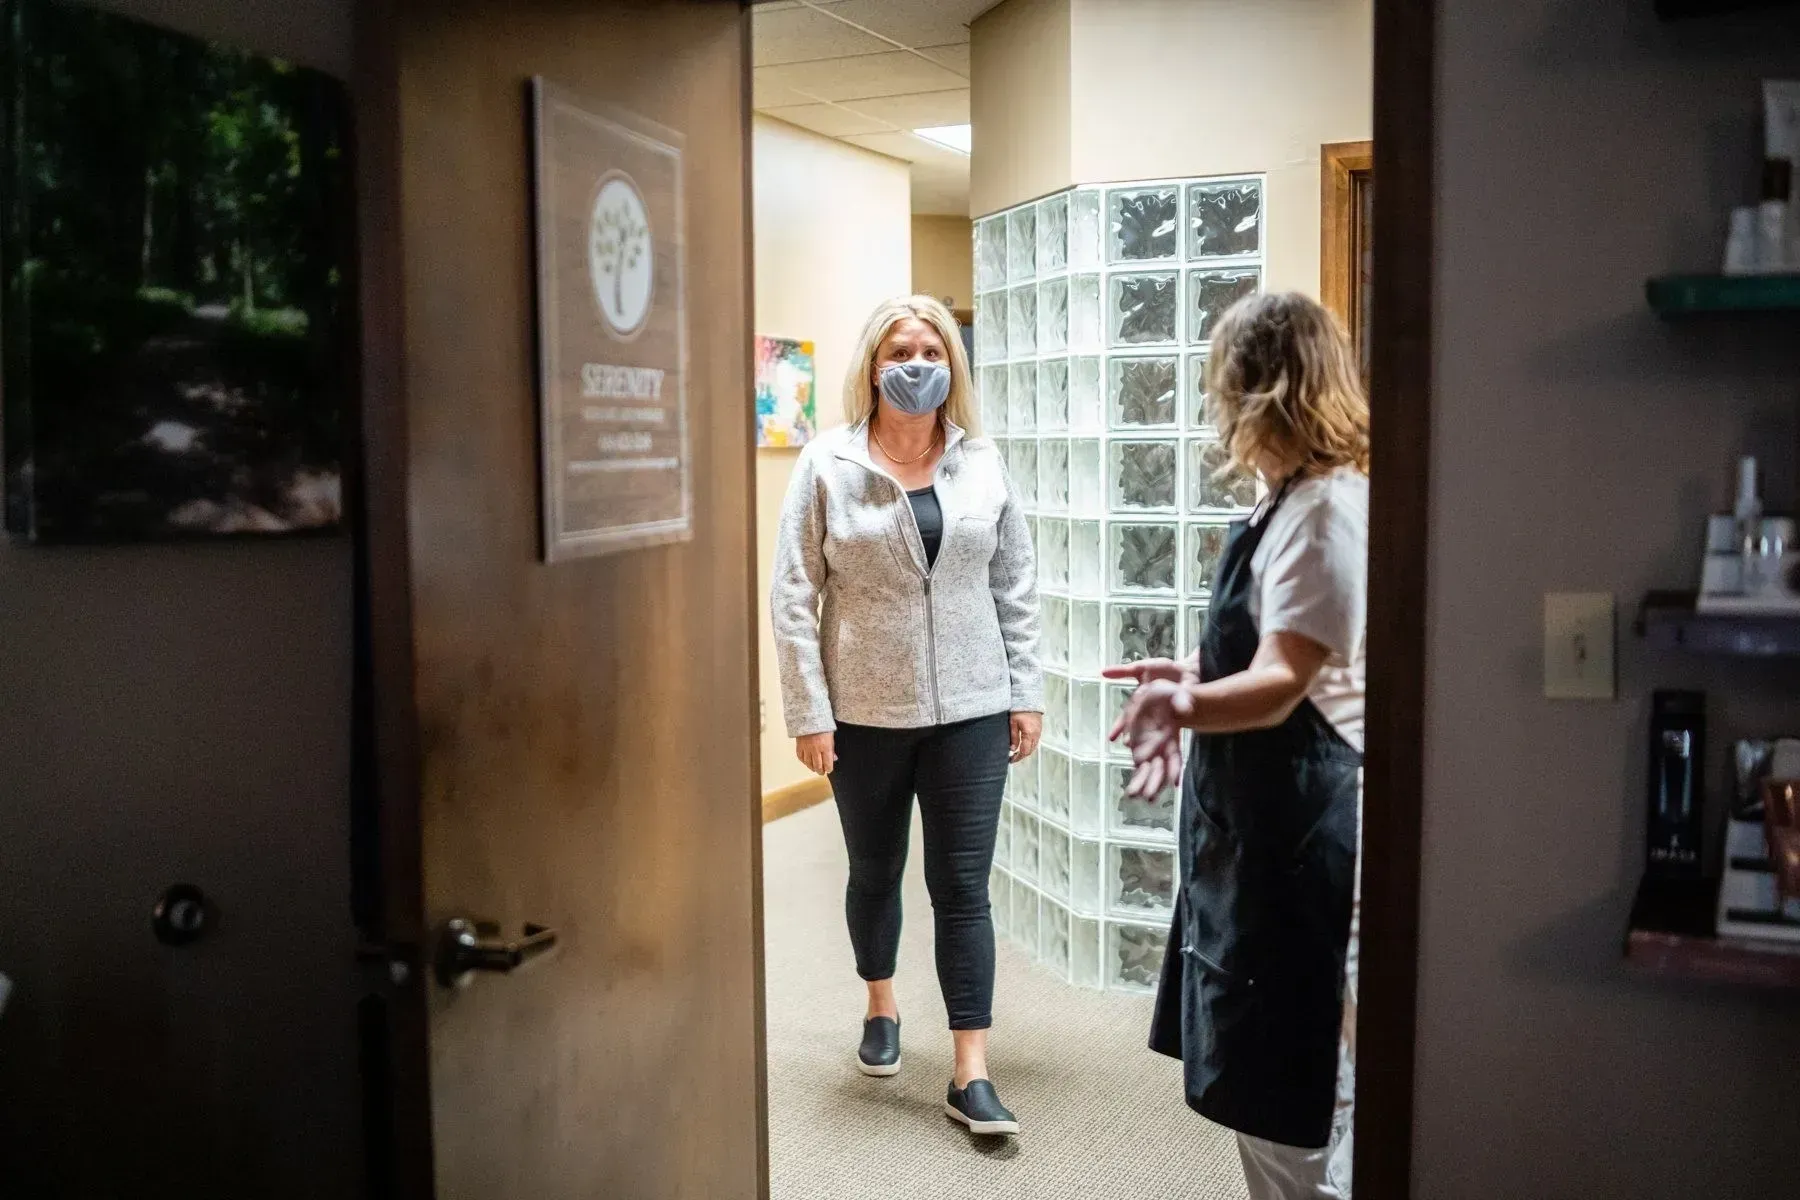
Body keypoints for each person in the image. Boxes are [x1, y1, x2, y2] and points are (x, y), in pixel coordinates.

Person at [1106, 292, 1368, 1198]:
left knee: (1293, 1091)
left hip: (1300, 846)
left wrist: (1180, 709)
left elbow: (1284, 681)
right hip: (1253, 833)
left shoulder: (1330, 510)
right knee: (1257, 1080)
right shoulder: (1284, 501)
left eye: (1227, 388)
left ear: (1261, 391)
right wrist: (1183, 672)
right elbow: (1257, 645)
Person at [770, 295, 1043, 1137]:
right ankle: (880, 1004)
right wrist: (809, 713)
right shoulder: (825, 462)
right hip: (864, 713)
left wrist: (1025, 690)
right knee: (875, 870)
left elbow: (1015, 586)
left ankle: (971, 1071)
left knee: (962, 888)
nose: (916, 363)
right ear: (873, 364)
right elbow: (791, 597)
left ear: (951, 365)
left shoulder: (982, 464)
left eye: (931, 348)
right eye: (900, 349)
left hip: (972, 706)